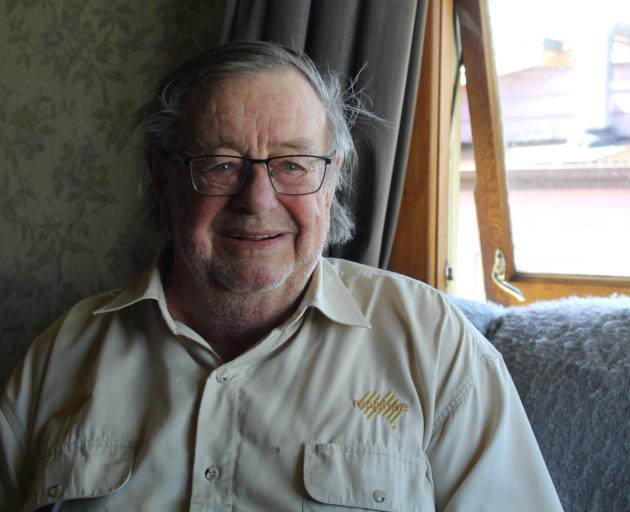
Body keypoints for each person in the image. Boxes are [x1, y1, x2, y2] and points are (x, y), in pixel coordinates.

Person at [0, 41, 562, 511]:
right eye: (221, 164)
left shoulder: (431, 343)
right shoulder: (62, 355)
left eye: (294, 165)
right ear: (163, 178)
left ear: (333, 178)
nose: (258, 200)